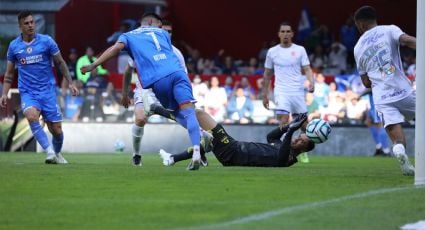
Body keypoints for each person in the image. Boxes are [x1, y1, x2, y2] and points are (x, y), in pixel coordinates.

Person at [81, 12, 203, 170]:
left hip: (158, 80)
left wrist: (94, 65)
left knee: (171, 111)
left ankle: (159, 112)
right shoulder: (163, 34)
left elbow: (116, 49)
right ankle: (196, 152)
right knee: (188, 112)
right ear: (152, 22)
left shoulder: (129, 36)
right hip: (177, 74)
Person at [0, 11, 79, 164]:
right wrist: (4, 93)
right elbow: (9, 74)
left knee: (57, 130)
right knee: (31, 116)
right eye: (26, 23)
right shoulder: (14, 46)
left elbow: (61, 63)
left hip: (48, 91)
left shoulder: (47, 41)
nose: (30, 25)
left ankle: (57, 153)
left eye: (32, 22)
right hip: (28, 92)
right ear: (20, 26)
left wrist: (70, 82)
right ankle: (49, 152)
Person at [120, 19, 195, 166]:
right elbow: (128, 70)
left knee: (187, 120)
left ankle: (200, 150)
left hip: (167, 91)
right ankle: (136, 154)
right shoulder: (143, 48)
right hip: (145, 91)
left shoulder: (176, 53)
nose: (167, 33)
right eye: (165, 30)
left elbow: (183, 78)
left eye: (170, 31)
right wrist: (124, 94)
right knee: (140, 119)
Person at [353, 5, 416, 176]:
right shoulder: (389, 30)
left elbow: (366, 82)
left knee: (396, 135)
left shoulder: (358, 48)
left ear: (360, 24)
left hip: (382, 97)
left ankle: (400, 150)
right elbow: (408, 40)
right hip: (403, 91)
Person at [159, 113, 315, 168]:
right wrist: (289, 126)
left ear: (303, 150)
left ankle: (157, 109)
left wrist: (292, 130)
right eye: (299, 137)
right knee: (205, 138)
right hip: (234, 148)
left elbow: (281, 156)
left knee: (199, 115)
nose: (297, 140)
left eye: (301, 142)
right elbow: (271, 137)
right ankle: (173, 158)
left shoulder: (287, 158)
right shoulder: (285, 148)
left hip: (232, 152)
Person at [262, 21, 315, 163]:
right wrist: (265, 95)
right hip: (281, 92)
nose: (285, 34)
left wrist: (311, 81)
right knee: (284, 122)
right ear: (279, 34)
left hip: (297, 92)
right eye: (283, 31)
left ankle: (301, 150)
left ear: (292, 34)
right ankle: (285, 149)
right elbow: (267, 74)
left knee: (304, 124)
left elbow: (307, 68)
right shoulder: (272, 52)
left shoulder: (300, 50)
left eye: (288, 31)